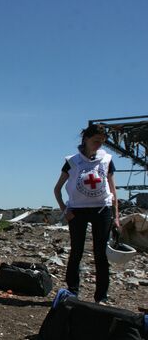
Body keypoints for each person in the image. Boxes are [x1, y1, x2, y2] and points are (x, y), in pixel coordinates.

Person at [53, 124, 120, 304]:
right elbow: (57, 189)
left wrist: (116, 217)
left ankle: (101, 297)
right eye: (95, 141)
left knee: (101, 254)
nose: (99, 145)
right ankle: (72, 292)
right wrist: (65, 211)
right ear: (86, 140)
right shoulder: (73, 161)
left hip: (102, 209)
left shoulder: (106, 159)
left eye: (102, 142)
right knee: (77, 251)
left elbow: (113, 190)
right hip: (77, 211)